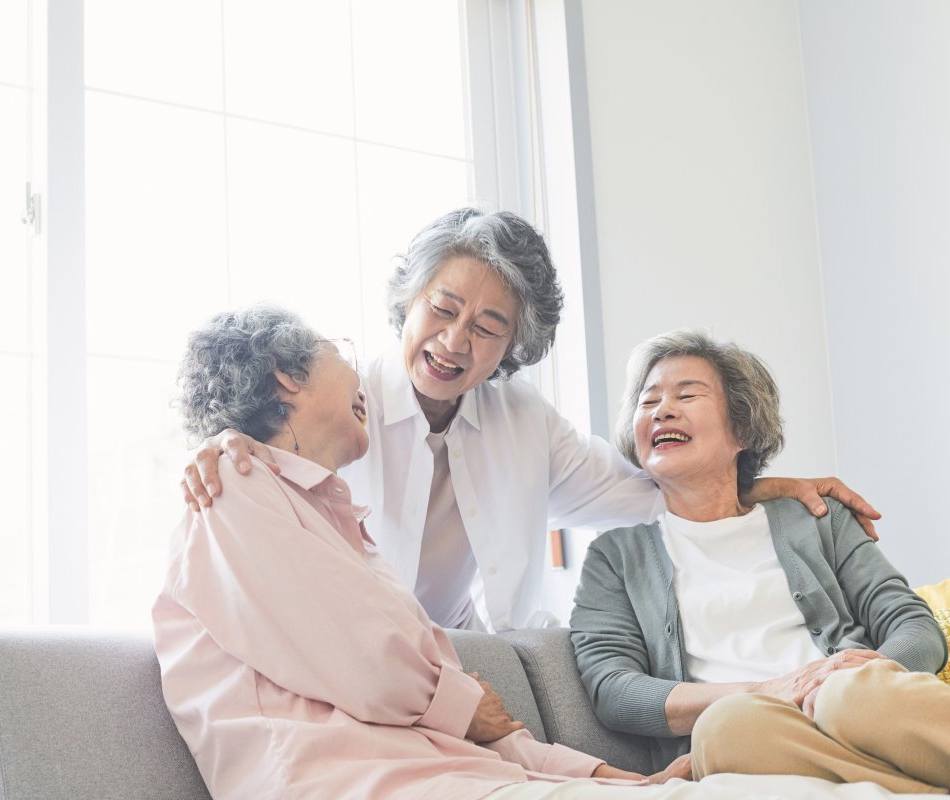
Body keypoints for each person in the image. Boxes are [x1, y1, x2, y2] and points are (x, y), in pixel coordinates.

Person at [180, 207, 879, 632]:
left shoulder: (522, 419)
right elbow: (257, 458)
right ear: (409, 298)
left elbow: (646, 495)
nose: (456, 343)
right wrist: (221, 442)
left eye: (488, 327)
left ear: (514, 348)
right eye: (443, 309)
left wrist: (765, 489)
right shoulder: (342, 405)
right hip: (361, 651)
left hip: (471, 654)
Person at [153, 305, 691, 800]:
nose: (359, 378)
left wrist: (615, 780)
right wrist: (460, 706)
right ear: (287, 377)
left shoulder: (345, 533)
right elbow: (374, 666)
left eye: (488, 326)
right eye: (340, 354)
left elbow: (480, 719)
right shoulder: (232, 485)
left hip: (446, 777)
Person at [569, 329, 950, 792]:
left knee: (850, 695)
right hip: (759, 731)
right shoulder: (614, 558)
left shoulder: (817, 518)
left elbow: (915, 626)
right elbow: (615, 690)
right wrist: (773, 690)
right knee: (726, 730)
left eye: (687, 394)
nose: (662, 410)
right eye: (648, 403)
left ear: (743, 429)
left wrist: (859, 670)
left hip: (854, 705)